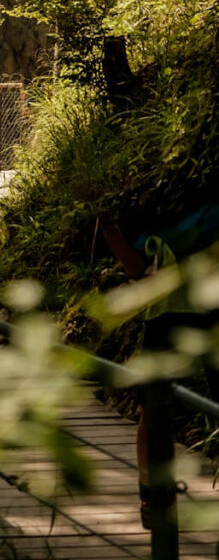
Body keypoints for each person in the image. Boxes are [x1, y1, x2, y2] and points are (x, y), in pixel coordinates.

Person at [100, 203, 219, 529]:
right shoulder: (157, 202)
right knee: (152, 410)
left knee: (153, 411)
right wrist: (109, 228)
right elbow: (138, 270)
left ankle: (150, 496)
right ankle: (150, 496)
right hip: (167, 315)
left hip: (206, 312)